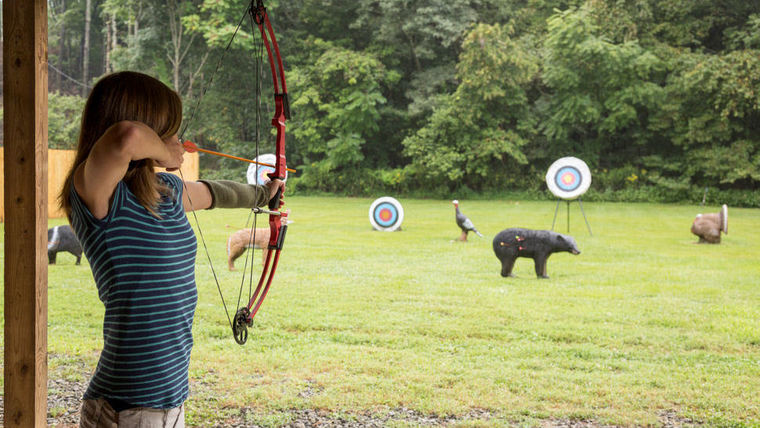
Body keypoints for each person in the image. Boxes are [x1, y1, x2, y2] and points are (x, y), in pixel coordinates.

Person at [59, 71, 284, 428]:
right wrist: (166, 152)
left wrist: (263, 195)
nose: (177, 139)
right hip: (127, 405)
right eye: (169, 129)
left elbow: (213, 193)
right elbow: (126, 137)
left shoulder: (166, 189)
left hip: (168, 397)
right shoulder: (97, 193)